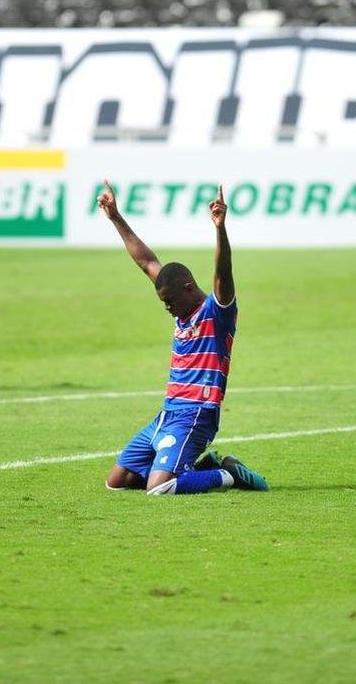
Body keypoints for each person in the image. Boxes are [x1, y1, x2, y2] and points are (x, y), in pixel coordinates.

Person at [98, 180, 268, 495]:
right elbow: (147, 262)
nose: (168, 308)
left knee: (159, 487)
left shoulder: (217, 312)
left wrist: (220, 228)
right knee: (117, 483)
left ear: (188, 288)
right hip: (169, 411)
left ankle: (227, 474)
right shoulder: (181, 308)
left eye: (170, 301)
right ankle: (200, 467)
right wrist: (115, 218)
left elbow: (223, 274)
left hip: (196, 415)